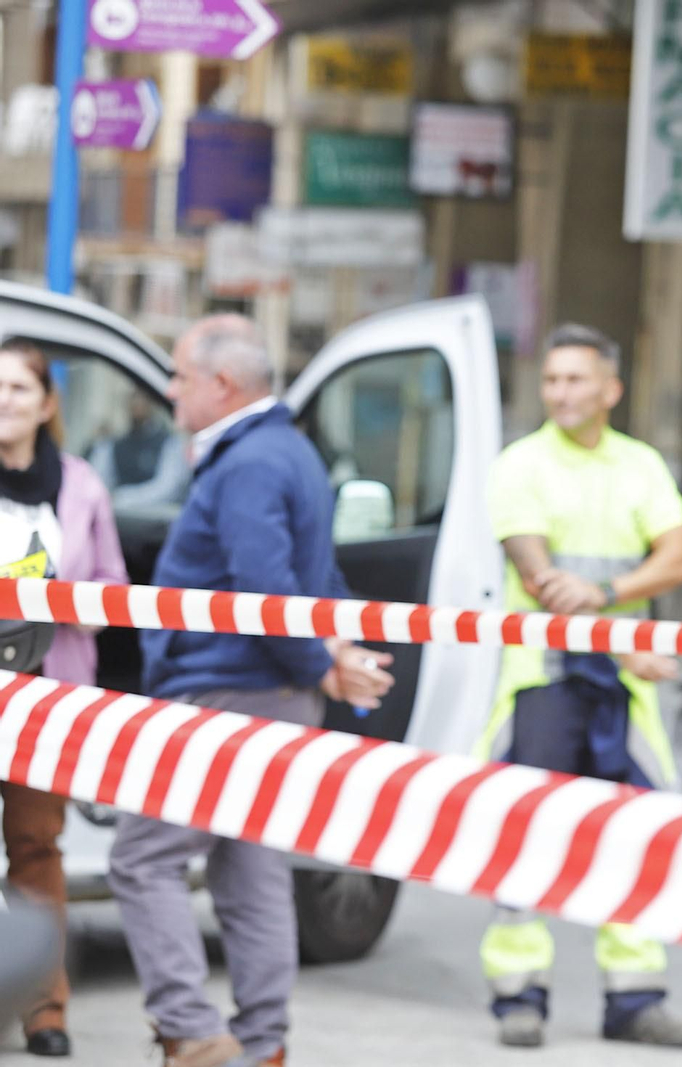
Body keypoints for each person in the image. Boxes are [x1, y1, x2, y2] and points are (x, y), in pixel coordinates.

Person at [105, 315, 395, 1067]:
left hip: (228, 694)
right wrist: (327, 655)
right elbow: (313, 578)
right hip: (271, 695)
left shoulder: (249, 462)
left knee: (142, 857)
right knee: (251, 867)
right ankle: (264, 1042)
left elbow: (264, 589)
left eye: (178, 376)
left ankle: (192, 1033)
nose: (169, 390)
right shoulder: (288, 451)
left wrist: (319, 661)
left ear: (222, 385)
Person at [476, 324, 682, 1051]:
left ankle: (633, 996)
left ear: (612, 389)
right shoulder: (520, 463)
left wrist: (606, 594)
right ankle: (519, 993)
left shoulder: (640, 464)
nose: (561, 392)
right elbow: (539, 575)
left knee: (638, 834)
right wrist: (615, 623)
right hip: (543, 677)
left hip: (620, 682)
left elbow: (679, 557)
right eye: (552, 380)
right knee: (526, 833)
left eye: (576, 380)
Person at [0, 339, 129, 1058]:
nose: (5, 400)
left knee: (35, 847)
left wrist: (65, 601)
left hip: (45, 701)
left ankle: (44, 1006)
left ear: (48, 402)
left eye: (20, 388)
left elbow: (109, 586)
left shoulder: (80, 486)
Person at [87, 389, 188, 508]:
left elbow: (167, 489)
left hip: (154, 519)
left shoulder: (170, 444)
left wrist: (121, 498)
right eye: (133, 398)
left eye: (142, 398)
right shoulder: (114, 445)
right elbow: (96, 483)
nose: (136, 403)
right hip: (120, 518)